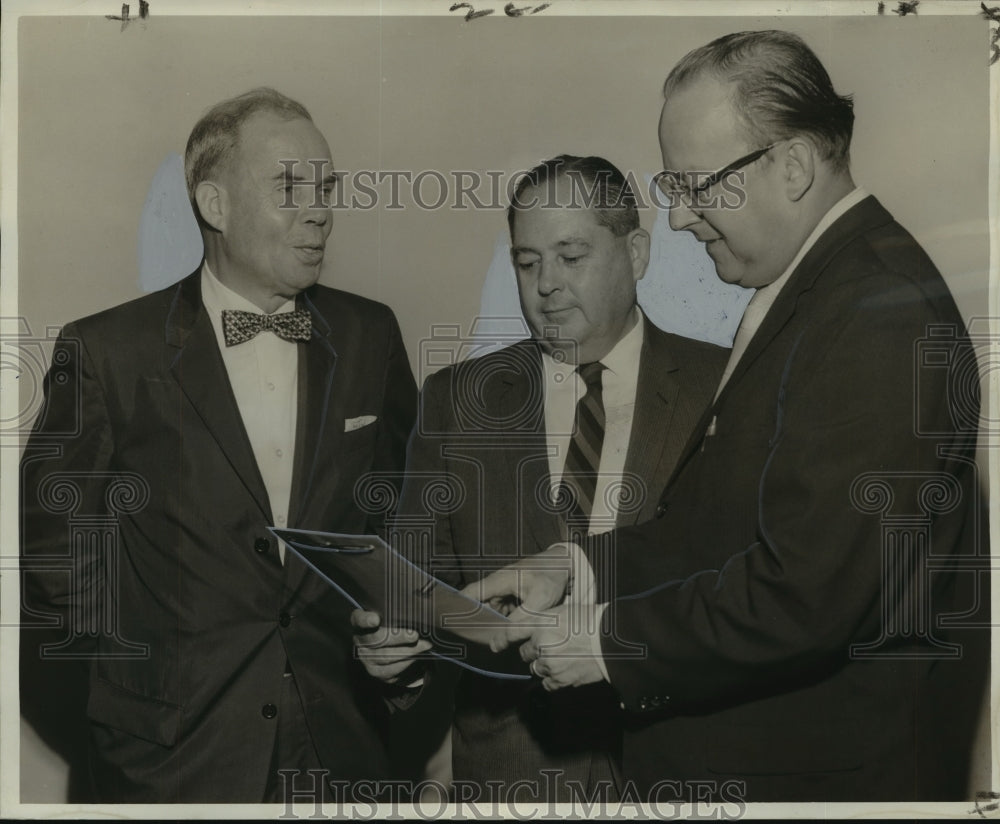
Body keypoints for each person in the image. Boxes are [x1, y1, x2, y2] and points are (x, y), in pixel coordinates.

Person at [476, 31, 989, 802]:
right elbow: (725, 523)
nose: (680, 219)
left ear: (792, 166)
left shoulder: (879, 312)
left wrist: (605, 642)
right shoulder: (820, 292)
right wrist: (578, 566)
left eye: (696, 187)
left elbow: (806, 595)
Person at [19, 87, 417, 802]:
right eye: (290, 186)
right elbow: (57, 558)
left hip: (344, 745)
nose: (320, 208)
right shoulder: (107, 351)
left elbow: (401, 512)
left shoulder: (370, 336)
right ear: (215, 204)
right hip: (172, 763)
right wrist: (141, 694)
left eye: (326, 186)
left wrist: (395, 634)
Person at [353, 156, 727, 801]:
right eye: (528, 264)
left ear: (636, 253)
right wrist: (396, 663)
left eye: (571, 257)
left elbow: (759, 591)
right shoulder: (455, 400)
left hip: (685, 772)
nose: (546, 285)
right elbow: (420, 587)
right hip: (514, 780)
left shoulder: (723, 389)